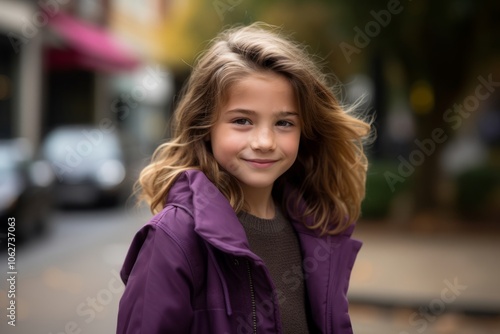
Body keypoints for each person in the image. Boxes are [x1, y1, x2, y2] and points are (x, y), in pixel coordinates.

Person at [117, 22, 371, 334]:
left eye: (284, 123)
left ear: (306, 130)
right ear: (205, 126)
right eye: (242, 121)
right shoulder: (174, 237)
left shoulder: (316, 228)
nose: (264, 141)